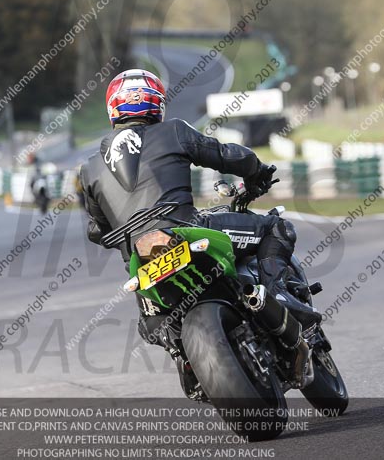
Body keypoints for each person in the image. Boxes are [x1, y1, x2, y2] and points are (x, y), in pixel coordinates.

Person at [80, 69, 318, 387]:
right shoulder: (174, 131)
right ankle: (274, 294)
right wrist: (257, 171)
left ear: (113, 109)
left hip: (142, 260)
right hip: (187, 229)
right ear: (157, 105)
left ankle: (187, 360)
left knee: (152, 323)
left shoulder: (89, 169)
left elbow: (97, 230)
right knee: (277, 228)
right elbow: (227, 156)